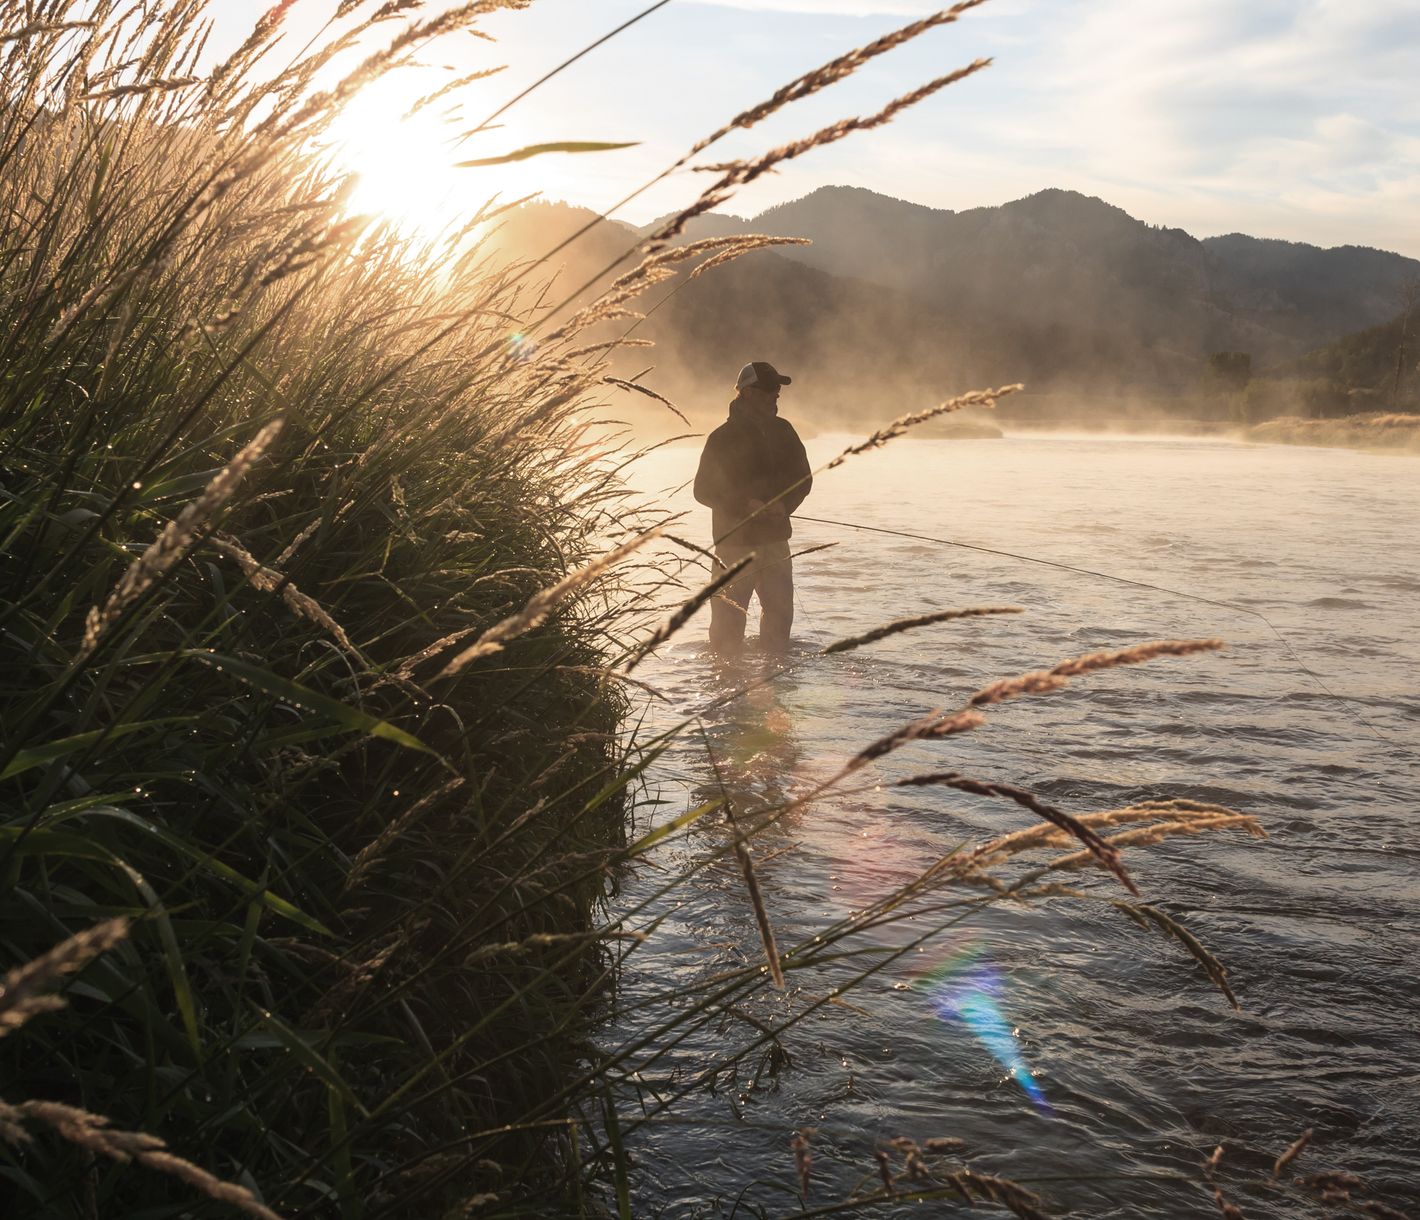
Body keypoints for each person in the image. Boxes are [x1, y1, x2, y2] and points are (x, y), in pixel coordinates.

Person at [693, 360, 812, 653]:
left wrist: (784, 504)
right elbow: (703, 490)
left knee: (780, 622)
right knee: (727, 626)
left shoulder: (784, 431)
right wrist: (745, 505)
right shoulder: (721, 438)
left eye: (777, 389)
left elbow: (803, 479)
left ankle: (776, 674)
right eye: (769, 389)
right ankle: (726, 676)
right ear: (746, 392)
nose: (775, 394)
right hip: (733, 545)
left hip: (775, 542)